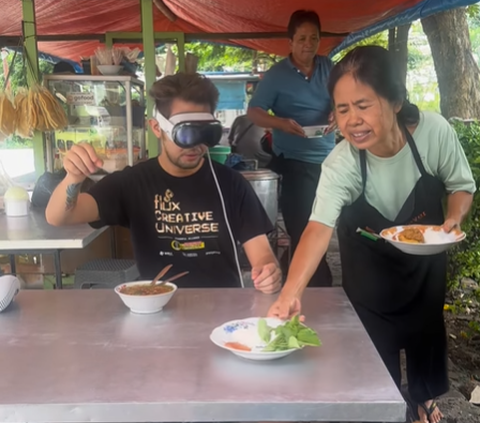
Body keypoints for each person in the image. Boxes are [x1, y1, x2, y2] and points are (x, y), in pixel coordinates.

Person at [268, 46, 475, 423]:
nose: (353, 121)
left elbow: (461, 185)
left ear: (395, 100)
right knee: (374, 358)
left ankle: (423, 399)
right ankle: (385, 407)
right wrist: (290, 292)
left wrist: (455, 218)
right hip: (369, 271)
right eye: (342, 109)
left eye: (363, 105)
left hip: (425, 265)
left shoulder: (433, 132)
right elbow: (317, 228)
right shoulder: (342, 163)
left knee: (426, 329)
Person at [45, 73, 281, 293]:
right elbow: (59, 217)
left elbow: (261, 254)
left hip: (221, 307)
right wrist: (73, 177)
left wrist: (269, 271)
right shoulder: (133, 183)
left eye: (204, 134)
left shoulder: (230, 184)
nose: (195, 146)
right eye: (185, 134)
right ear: (157, 128)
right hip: (157, 305)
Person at [248, 10, 335, 287]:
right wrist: (280, 123)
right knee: (304, 226)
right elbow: (254, 112)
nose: (308, 44)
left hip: (330, 160)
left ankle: (301, 274)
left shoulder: (329, 68)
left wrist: (338, 112)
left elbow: (344, 96)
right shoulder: (277, 75)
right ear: (290, 41)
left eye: (314, 38)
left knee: (327, 223)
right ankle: (317, 283)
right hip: (293, 161)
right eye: (302, 39)